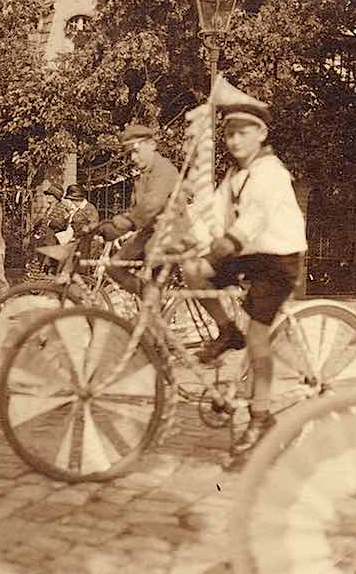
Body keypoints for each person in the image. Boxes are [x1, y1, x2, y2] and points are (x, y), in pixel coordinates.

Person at [183, 100, 307, 455]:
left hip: (278, 260)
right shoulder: (234, 176)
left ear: (261, 134)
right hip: (247, 255)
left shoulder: (271, 172)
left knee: (258, 337)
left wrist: (227, 242)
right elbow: (212, 215)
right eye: (229, 134)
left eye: (242, 133)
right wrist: (190, 241)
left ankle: (261, 415)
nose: (234, 140)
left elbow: (256, 217)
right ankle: (227, 330)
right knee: (192, 271)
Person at [97, 124, 178, 295]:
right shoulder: (142, 177)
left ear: (152, 145)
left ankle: (153, 308)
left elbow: (152, 203)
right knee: (113, 267)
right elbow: (136, 208)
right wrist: (113, 226)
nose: (133, 157)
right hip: (149, 234)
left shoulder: (165, 169)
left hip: (171, 234)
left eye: (136, 150)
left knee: (154, 262)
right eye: (129, 153)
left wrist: (126, 223)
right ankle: (150, 303)